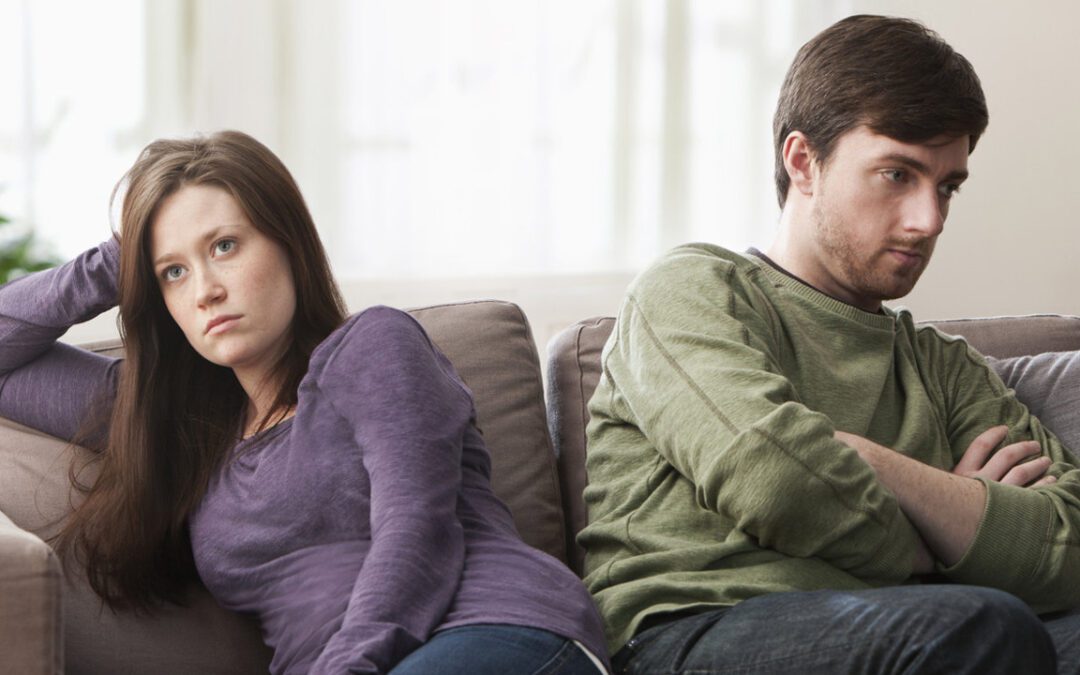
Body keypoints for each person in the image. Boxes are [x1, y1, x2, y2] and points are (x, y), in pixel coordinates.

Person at [0, 130, 609, 675]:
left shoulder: (372, 346)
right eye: (174, 273)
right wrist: (120, 260)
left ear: (287, 243)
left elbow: (416, 527)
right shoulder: (172, 426)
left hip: (498, 632)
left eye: (225, 246)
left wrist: (350, 663)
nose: (207, 290)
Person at [579, 14, 1080, 674]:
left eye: (947, 186)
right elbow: (775, 480)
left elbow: (1068, 546)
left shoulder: (943, 367)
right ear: (802, 160)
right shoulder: (691, 289)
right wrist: (942, 538)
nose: (928, 220)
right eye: (898, 174)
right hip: (697, 627)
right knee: (981, 624)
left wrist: (870, 459)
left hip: (924, 625)